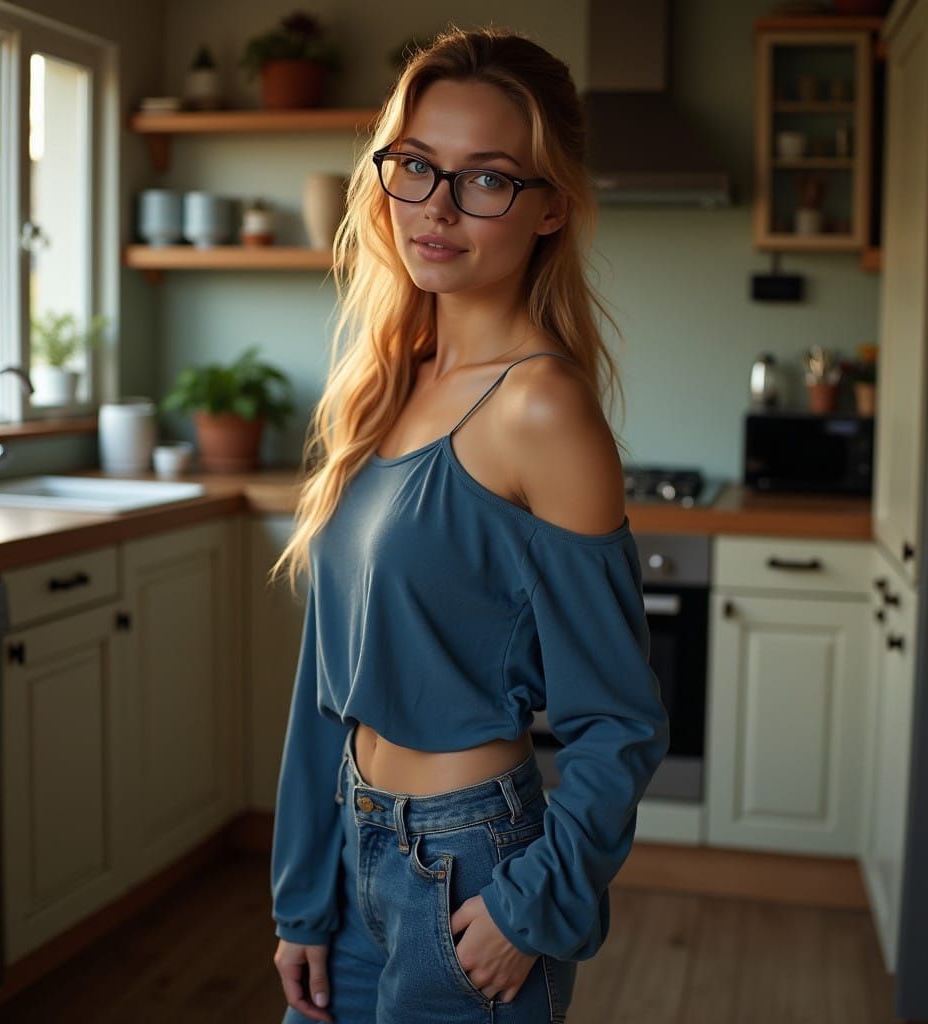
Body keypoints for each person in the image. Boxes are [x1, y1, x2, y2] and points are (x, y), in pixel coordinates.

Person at [267, 24, 670, 1024]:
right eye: (415, 166)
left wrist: (530, 906)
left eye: (485, 179)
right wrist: (302, 895)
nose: (436, 208)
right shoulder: (385, 384)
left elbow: (617, 719)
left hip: (470, 873)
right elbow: (326, 677)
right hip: (351, 846)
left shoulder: (541, 409)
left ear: (550, 207)